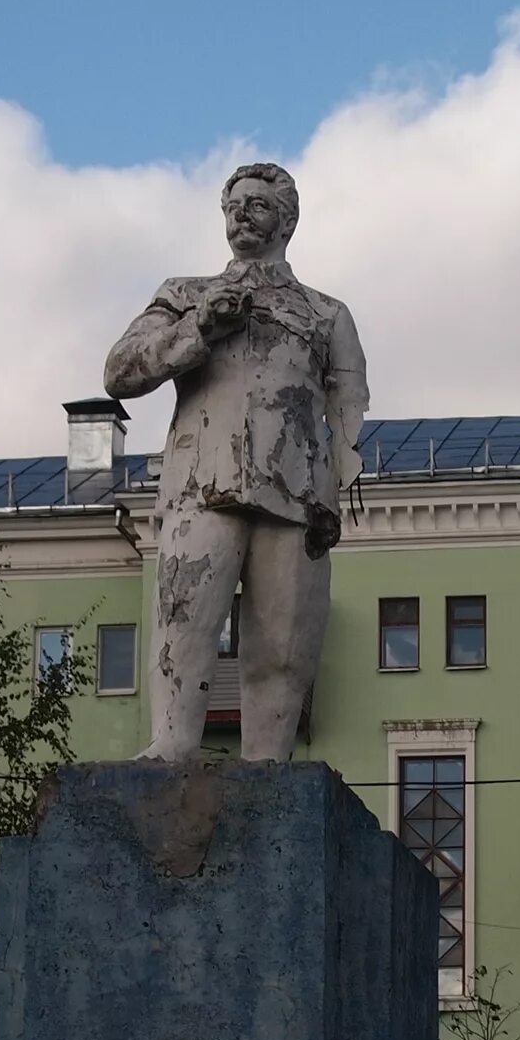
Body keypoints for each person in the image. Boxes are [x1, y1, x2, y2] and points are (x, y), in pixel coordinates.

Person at [103, 162, 369, 762]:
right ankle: (171, 746)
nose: (242, 215)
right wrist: (200, 326)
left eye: (257, 204)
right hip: (204, 483)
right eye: (233, 205)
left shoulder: (326, 313)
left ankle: (268, 768)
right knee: (185, 615)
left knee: (282, 645)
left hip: (296, 496)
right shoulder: (186, 294)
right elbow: (121, 371)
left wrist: (332, 487)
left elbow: (347, 407)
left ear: (288, 219)